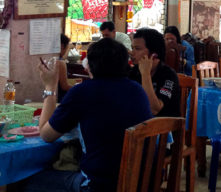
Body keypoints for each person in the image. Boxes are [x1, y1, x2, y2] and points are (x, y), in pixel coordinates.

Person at [23, 38, 152, 192]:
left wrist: (50, 86)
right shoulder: (137, 90)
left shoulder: (82, 92)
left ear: (90, 66)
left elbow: (46, 135)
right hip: (139, 182)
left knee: (27, 181)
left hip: (97, 186)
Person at [129, 28, 181, 117]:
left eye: (137, 49)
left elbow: (154, 109)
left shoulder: (168, 75)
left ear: (154, 54)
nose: (132, 53)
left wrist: (145, 74)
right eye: (132, 48)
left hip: (163, 124)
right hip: (140, 122)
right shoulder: (134, 71)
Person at [55, 34, 72, 103]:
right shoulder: (60, 62)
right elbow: (64, 86)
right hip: (60, 98)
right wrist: (77, 88)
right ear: (62, 46)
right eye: (67, 47)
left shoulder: (50, 59)